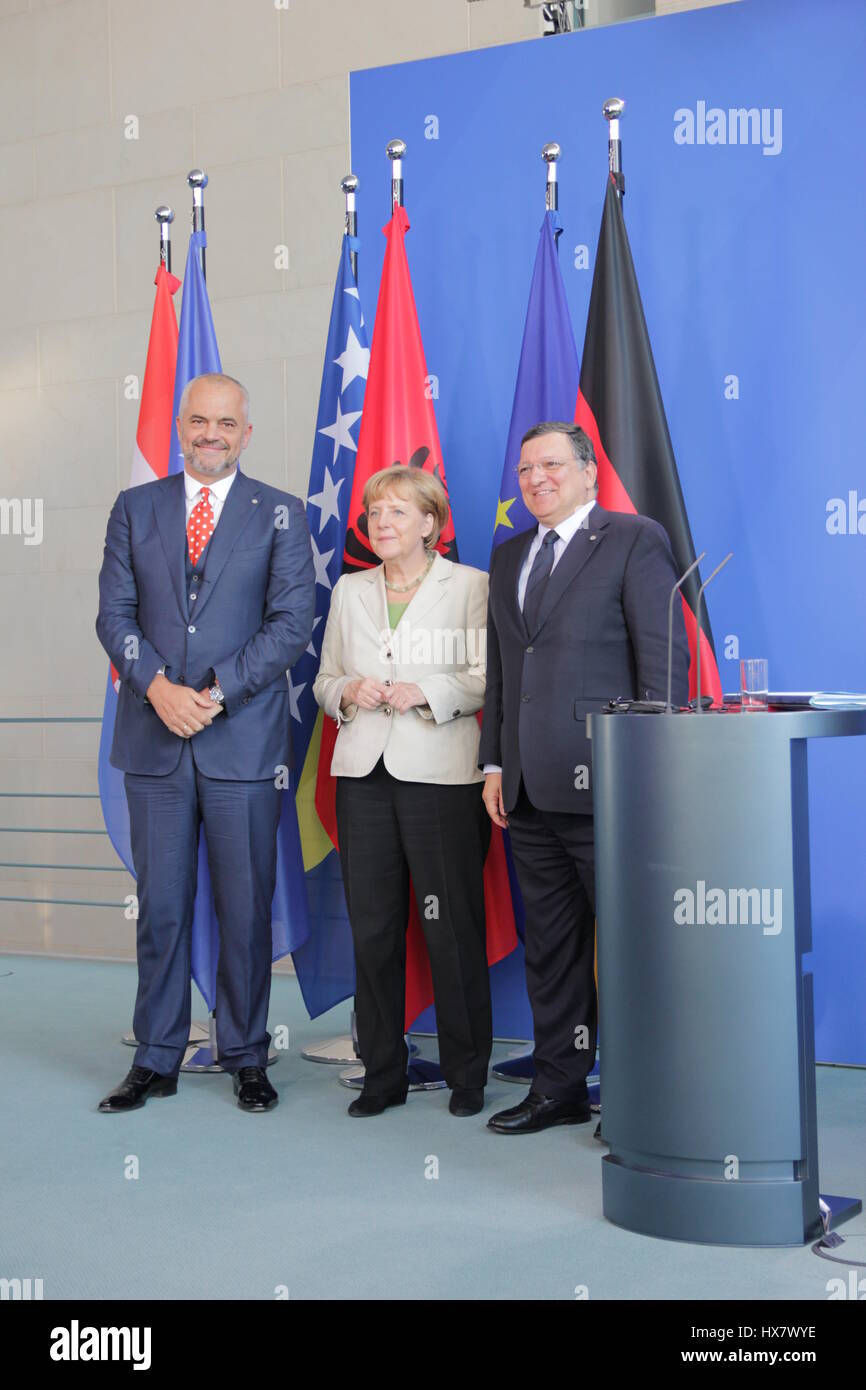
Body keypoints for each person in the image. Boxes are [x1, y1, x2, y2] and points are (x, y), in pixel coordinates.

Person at [95, 372, 315, 1114]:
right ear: (180, 427)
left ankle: (246, 1055)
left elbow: (290, 626)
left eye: (226, 423)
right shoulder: (135, 508)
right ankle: (155, 1056)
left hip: (242, 744)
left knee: (244, 906)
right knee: (160, 908)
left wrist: (213, 695)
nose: (211, 434)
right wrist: (158, 687)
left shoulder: (280, 514)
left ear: (246, 433)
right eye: (198, 421)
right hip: (153, 741)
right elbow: (114, 615)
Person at [480, 421, 689, 1134]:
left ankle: (637, 1098)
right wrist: (495, 762)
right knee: (553, 950)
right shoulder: (508, 555)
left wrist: (652, 770)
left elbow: (665, 663)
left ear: (587, 470)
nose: (537, 478)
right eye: (525, 468)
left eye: (552, 465)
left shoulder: (632, 539)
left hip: (612, 786)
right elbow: (505, 672)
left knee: (631, 948)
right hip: (529, 791)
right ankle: (559, 1089)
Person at [314, 465, 492, 1118]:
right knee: (374, 931)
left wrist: (429, 691)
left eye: (396, 512)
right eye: (373, 512)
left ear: (429, 523)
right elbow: (325, 678)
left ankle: (467, 1073)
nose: (380, 523)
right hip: (363, 779)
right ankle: (382, 1072)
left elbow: (484, 677)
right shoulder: (349, 591)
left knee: (452, 930)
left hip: (441, 778)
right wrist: (346, 692)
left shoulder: (471, 587)